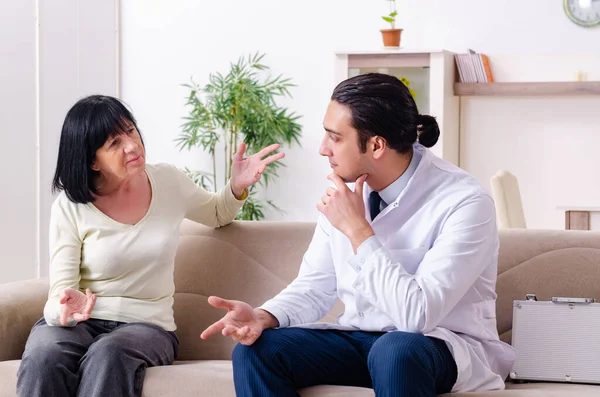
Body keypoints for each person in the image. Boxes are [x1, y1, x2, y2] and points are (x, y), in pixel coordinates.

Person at [200, 73, 517, 397]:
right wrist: (262, 316)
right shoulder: (345, 192)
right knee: (257, 350)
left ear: (376, 145)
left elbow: (418, 316)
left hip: (440, 346)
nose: (323, 149)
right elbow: (315, 286)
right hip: (363, 338)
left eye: (334, 138)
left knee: (395, 350)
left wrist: (358, 230)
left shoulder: (464, 202)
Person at [16, 94, 284, 397]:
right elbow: (60, 294)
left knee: (108, 353)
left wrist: (236, 187)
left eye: (130, 131)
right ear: (92, 161)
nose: (131, 145)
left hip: (146, 326)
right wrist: (63, 309)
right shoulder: (70, 206)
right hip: (81, 323)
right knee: (43, 356)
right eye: (114, 143)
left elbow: (216, 212)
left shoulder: (167, 181)